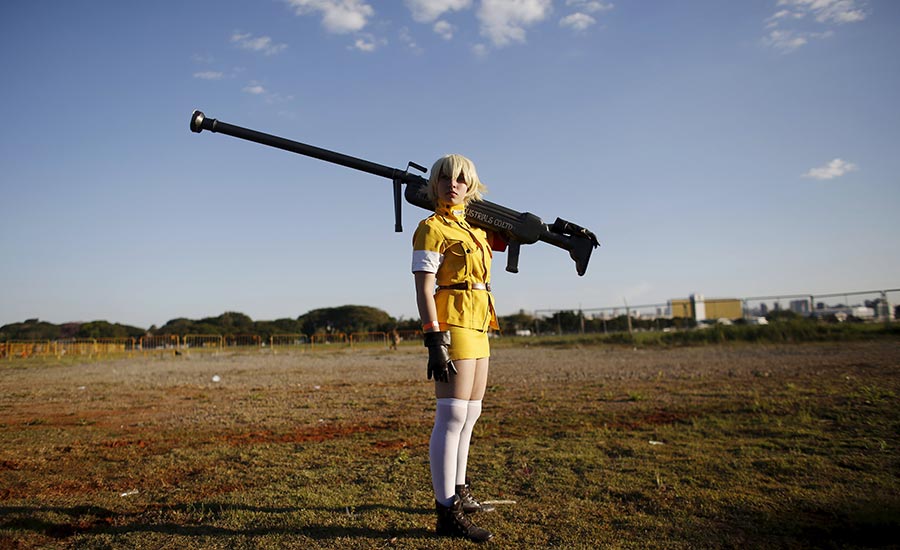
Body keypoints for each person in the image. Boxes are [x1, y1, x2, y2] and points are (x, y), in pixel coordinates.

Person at [412, 154, 502, 543]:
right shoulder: (430, 228)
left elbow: (517, 235)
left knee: (471, 414)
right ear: (434, 185)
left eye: (461, 179)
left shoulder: (477, 230)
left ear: (471, 185)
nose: (453, 184)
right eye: (445, 177)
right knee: (450, 416)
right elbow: (423, 286)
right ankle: (445, 509)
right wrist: (434, 338)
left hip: (481, 320)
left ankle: (460, 490)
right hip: (453, 321)